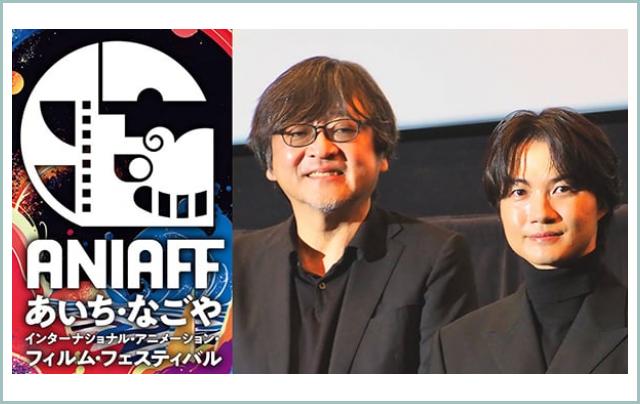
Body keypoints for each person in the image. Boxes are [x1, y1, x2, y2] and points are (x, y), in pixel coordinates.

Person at [234, 56, 477, 373]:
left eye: (343, 129)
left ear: (382, 152)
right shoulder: (227, 266)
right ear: (269, 163)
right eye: (298, 132)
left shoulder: (434, 257)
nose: (322, 149)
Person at [430, 108, 627, 373]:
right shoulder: (457, 345)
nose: (540, 213)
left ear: (601, 203)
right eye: (519, 192)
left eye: (561, 189)